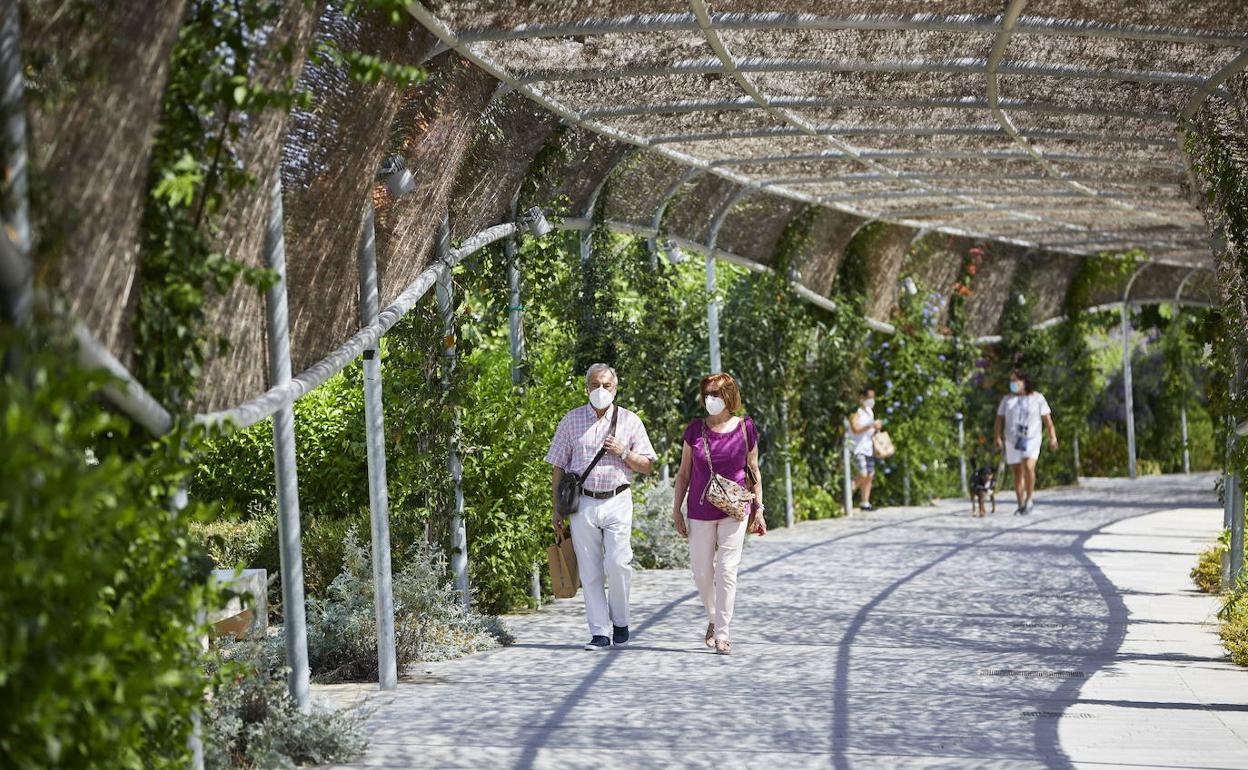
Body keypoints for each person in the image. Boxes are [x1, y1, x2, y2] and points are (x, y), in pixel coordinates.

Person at [546, 364, 656, 651]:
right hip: (583, 503)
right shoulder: (571, 421)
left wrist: (623, 451)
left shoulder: (630, 421)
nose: (601, 390)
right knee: (590, 570)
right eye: (595, 385)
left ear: (615, 388)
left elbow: (647, 465)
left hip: (618, 499)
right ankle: (599, 632)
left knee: (619, 563)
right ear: (586, 388)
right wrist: (557, 507)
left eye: (606, 385)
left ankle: (620, 621)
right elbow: (558, 466)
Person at [671, 373, 765, 655]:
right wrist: (676, 509)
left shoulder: (746, 427)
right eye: (707, 394)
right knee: (701, 572)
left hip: (735, 508)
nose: (710, 399)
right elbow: (684, 473)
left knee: (726, 571)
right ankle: (713, 617)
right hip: (700, 509)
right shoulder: (694, 430)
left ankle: (723, 633)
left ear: (729, 397)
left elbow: (753, 470)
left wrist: (759, 509)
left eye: (716, 394)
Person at [994, 370, 1058, 515]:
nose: (1013, 384)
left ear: (1024, 382)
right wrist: (997, 437)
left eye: (1016, 381)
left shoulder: (1038, 398)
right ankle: (1020, 503)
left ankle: (1029, 499)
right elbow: (999, 419)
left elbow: (1048, 421)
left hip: (1031, 438)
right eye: (1011, 381)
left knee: (1029, 466)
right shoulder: (1007, 400)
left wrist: (1052, 437)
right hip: (1012, 439)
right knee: (1017, 471)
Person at [849, 387, 883, 512]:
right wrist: (870, 425)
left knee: (869, 475)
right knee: (862, 474)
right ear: (862, 398)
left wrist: (876, 428)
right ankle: (846, 496)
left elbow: (871, 431)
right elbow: (855, 429)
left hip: (868, 448)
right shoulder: (856, 412)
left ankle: (865, 502)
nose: (871, 400)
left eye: (873, 397)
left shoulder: (870, 411)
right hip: (858, 448)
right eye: (869, 398)